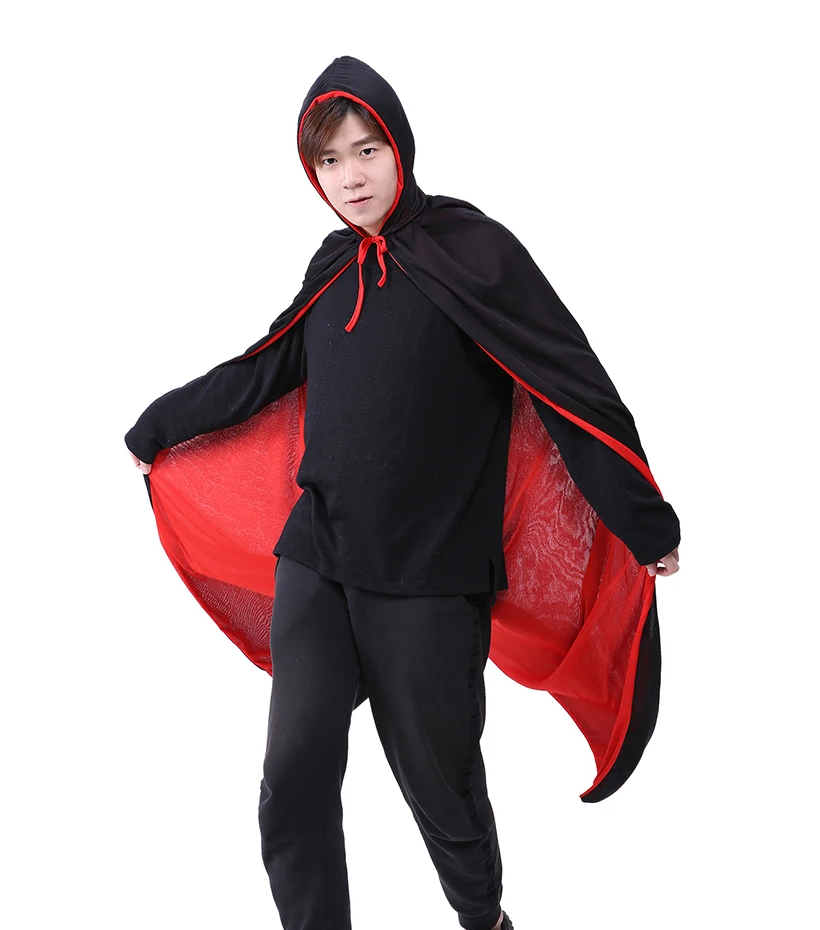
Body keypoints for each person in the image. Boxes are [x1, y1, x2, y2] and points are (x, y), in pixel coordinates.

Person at [126, 56, 680, 930]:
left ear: (400, 147)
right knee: (293, 771)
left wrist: (644, 519)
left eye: (367, 151)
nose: (350, 177)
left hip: (432, 572)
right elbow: (267, 367)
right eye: (329, 160)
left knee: (440, 785)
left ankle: (483, 920)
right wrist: (157, 425)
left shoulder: (475, 252)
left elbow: (572, 386)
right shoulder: (333, 264)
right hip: (319, 553)